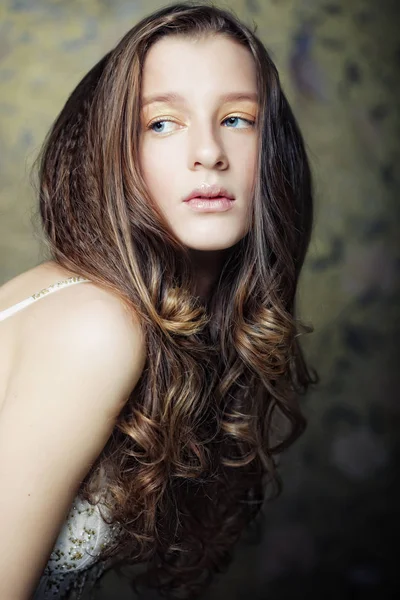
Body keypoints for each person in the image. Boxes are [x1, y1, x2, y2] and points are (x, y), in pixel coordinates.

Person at [0, 2, 319, 599]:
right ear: (112, 151)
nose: (209, 153)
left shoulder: (131, 313)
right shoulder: (96, 324)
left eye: (238, 119)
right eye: (161, 123)